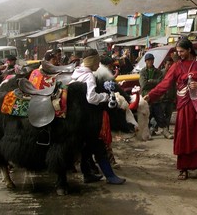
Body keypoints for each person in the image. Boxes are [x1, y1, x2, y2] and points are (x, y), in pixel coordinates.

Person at [144, 38, 197, 180]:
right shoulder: (176, 66)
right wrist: (151, 95)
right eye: (178, 51)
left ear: (189, 49)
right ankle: (184, 168)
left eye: (182, 51)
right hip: (184, 106)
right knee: (184, 136)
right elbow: (165, 84)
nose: (179, 54)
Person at [71, 48, 126, 184]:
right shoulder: (89, 76)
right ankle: (110, 176)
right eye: (97, 62)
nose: (98, 65)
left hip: (77, 117)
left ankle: (87, 174)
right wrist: (105, 96)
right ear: (92, 62)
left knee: (87, 148)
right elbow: (91, 97)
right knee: (99, 146)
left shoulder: (77, 72)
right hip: (87, 118)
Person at [139, 53, 173, 139]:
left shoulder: (158, 71)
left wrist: (150, 81)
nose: (150, 61)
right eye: (148, 60)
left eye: (151, 60)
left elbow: (161, 83)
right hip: (146, 98)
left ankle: (165, 132)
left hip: (156, 98)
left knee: (160, 115)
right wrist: (154, 82)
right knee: (147, 116)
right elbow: (143, 84)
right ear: (145, 61)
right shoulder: (143, 71)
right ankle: (147, 133)